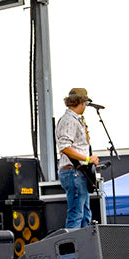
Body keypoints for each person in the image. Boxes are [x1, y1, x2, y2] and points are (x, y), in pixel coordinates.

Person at [55, 87, 98, 229]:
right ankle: (70, 251)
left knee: (85, 215)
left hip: (78, 172)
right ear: (81, 102)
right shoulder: (69, 120)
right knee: (76, 215)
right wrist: (87, 159)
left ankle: (84, 250)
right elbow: (65, 147)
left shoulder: (74, 120)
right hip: (73, 172)